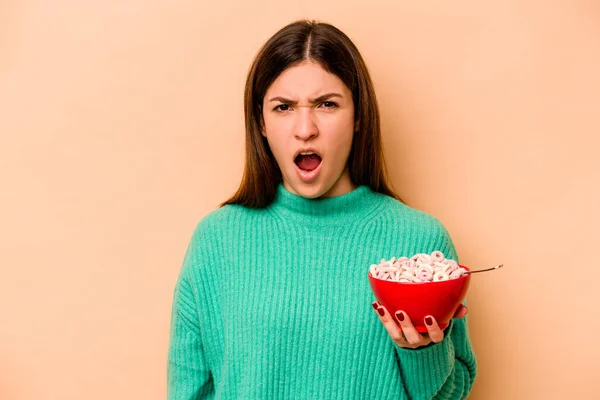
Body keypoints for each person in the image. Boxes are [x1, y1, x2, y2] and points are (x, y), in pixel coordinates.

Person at [167, 19, 477, 400]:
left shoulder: (419, 242)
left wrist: (423, 351)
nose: (305, 128)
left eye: (326, 104)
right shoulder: (217, 240)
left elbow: (453, 391)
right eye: (283, 107)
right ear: (261, 123)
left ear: (359, 116)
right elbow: (189, 391)